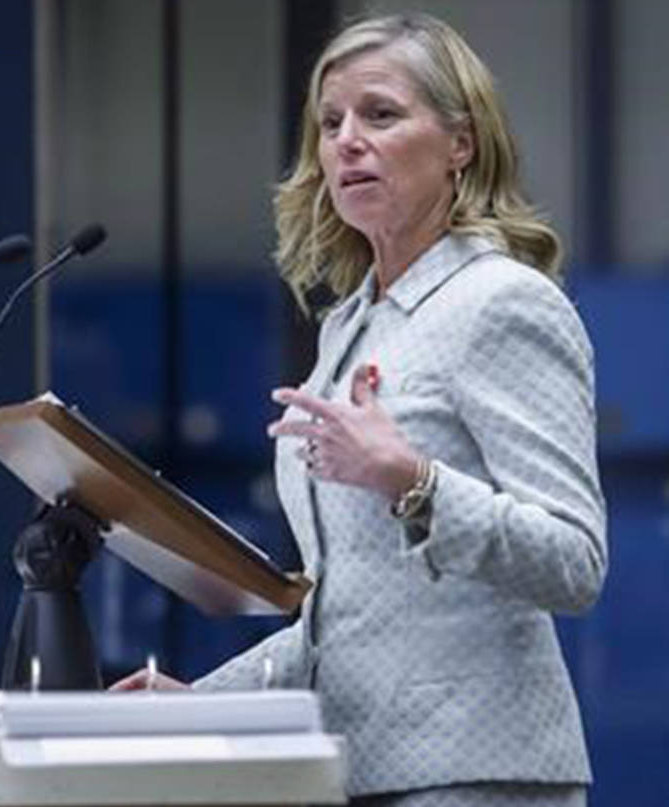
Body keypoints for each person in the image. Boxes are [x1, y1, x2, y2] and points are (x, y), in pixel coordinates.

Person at [112, 14, 605, 806]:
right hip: (356, 773)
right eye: (329, 123)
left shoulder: (502, 303)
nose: (346, 141)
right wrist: (203, 701)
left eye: (381, 114)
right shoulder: (350, 324)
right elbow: (354, 614)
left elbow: (575, 562)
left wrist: (416, 481)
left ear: (461, 144)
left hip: (478, 774)